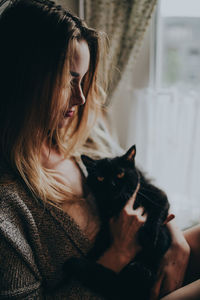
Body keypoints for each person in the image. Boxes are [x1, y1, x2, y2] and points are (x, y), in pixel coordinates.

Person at [0, 0, 198, 299]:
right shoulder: (8, 206)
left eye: (84, 80)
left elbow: (142, 192)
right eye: (69, 79)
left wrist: (176, 243)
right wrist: (118, 253)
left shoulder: (85, 138)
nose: (80, 98)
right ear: (25, 77)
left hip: (152, 265)